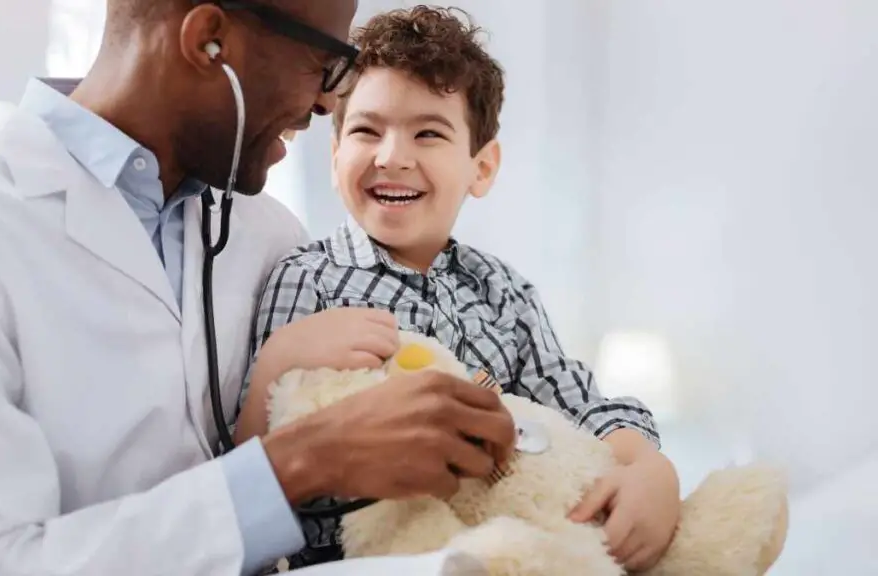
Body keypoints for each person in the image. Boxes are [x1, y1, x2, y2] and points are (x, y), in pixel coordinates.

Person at [0, 1, 518, 575]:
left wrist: (622, 455)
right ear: (209, 40)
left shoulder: (269, 236)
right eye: (325, 63)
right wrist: (295, 464)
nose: (326, 102)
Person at [234, 6, 682, 572]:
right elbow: (250, 474)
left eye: (428, 133)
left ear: (482, 169)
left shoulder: (503, 290)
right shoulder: (305, 279)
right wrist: (277, 363)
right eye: (367, 130)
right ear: (334, 154)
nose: (392, 157)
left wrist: (648, 468)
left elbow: (578, 403)